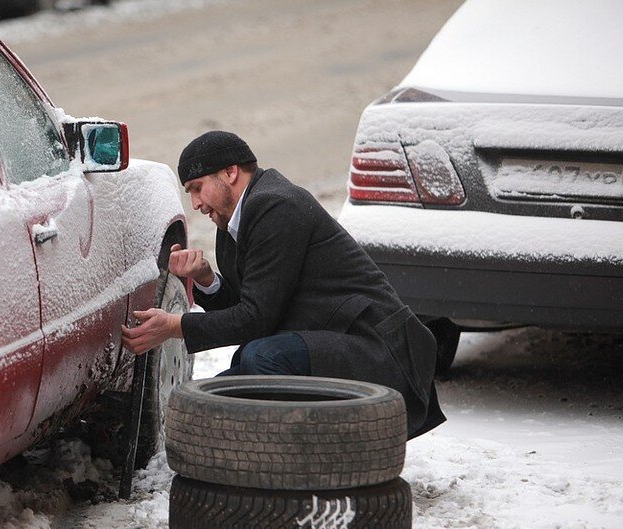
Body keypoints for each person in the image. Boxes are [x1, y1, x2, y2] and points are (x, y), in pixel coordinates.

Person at [122, 131, 444, 438]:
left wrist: (175, 326)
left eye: (197, 187)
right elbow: (250, 309)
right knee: (205, 401)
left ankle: (301, 459)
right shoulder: (231, 221)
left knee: (262, 357)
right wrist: (206, 278)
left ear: (230, 172)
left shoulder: (277, 206)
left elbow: (256, 320)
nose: (194, 203)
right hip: (325, 340)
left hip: (378, 349)